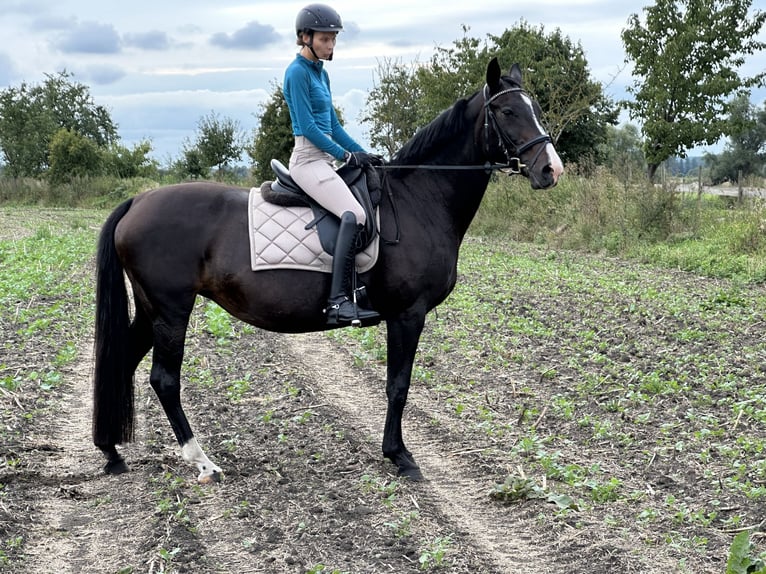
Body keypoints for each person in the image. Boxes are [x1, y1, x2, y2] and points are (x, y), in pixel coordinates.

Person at [284, 3, 381, 327]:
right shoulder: (296, 72)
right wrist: (346, 156)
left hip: (327, 159)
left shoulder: (321, 75)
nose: (331, 45)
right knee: (355, 214)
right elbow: (310, 128)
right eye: (326, 39)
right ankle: (338, 301)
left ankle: (360, 289)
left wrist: (364, 155)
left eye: (334, 39)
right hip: (308, 161)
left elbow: (334, 127)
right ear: (305, 37)